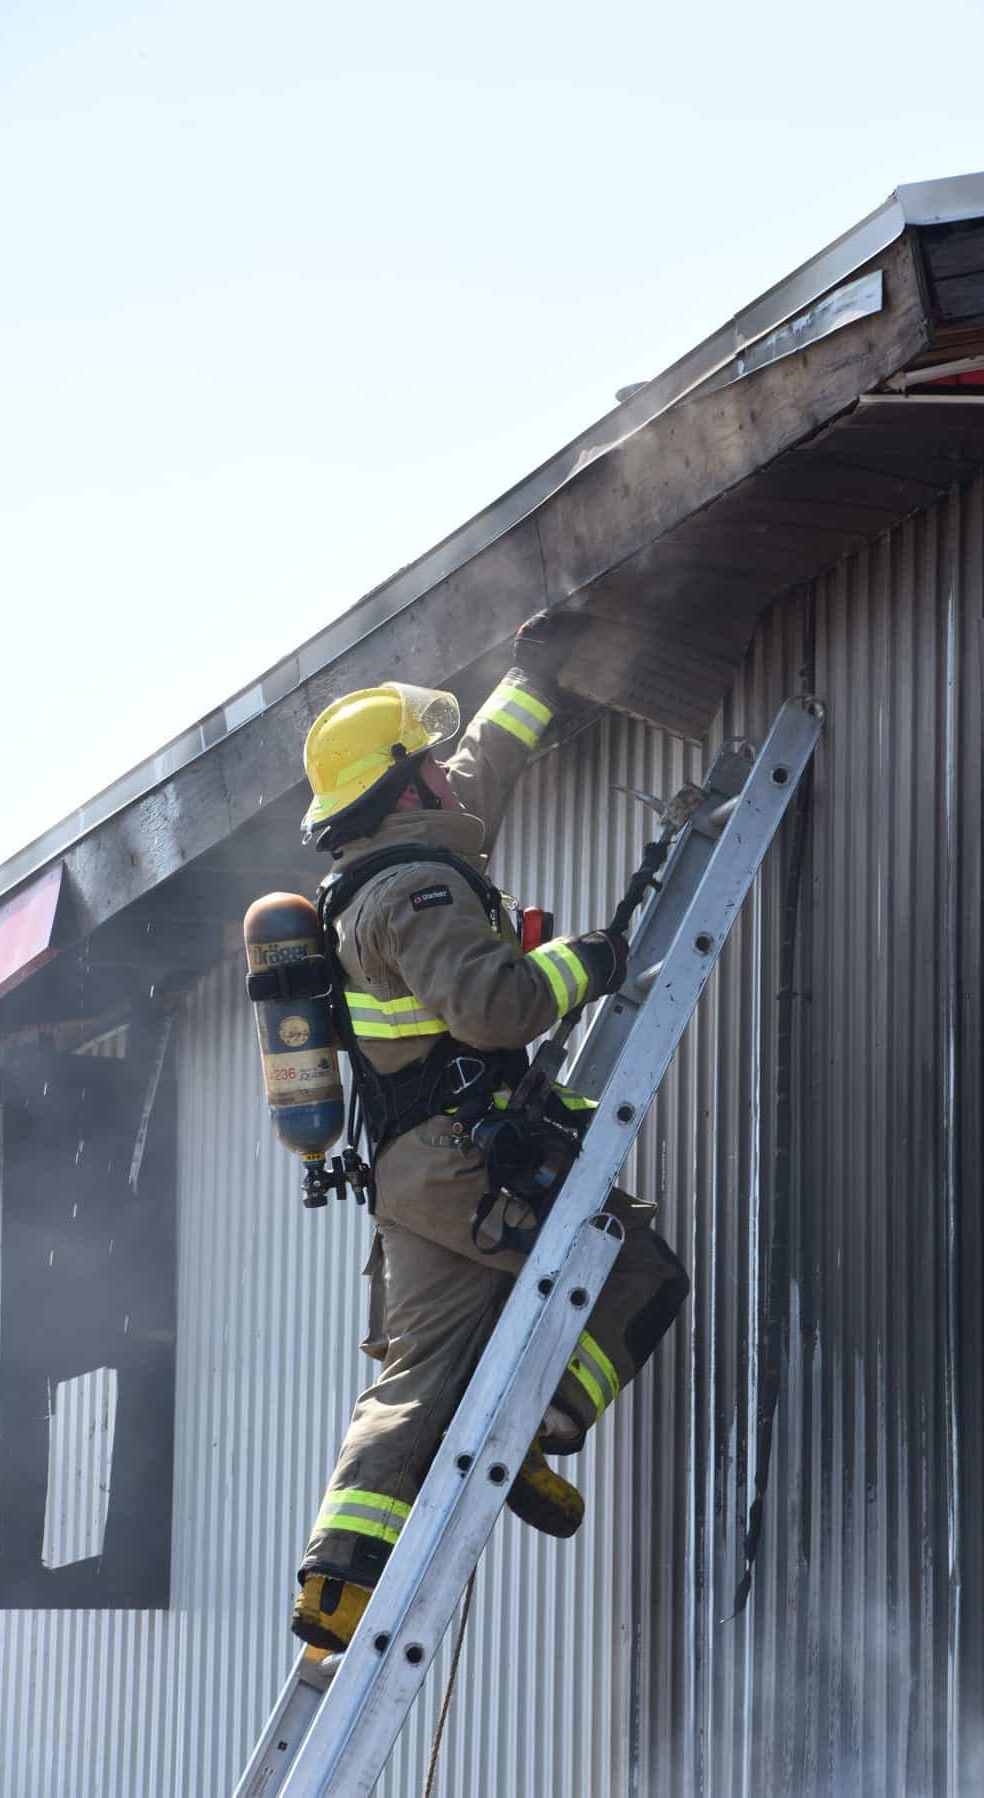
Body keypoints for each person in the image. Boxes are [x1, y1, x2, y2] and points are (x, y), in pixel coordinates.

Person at [291, 610, 689, 1653]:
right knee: (638, 1264)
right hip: (469, 1162)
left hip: (415, 1175)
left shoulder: (395, 865)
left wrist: (534, 671)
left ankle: (337, 1585)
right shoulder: (418, 890)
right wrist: (593, 962)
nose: (446, 770)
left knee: (418, 1372)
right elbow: (497, 1009)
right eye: (427, 761)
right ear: (403, 784)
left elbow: (485, 766)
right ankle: (544, 1429)